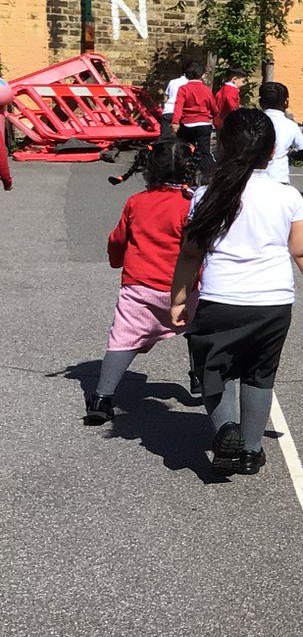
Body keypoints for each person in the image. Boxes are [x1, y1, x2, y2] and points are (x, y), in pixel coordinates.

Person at [169, 108, 303, 477]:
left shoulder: (205, 194)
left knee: (213, 369)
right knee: (259, 373)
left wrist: (179, 298)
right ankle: (249, 450)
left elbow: (191, 252)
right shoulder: (287, 196)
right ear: (272, 151)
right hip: (274, 303)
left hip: (222, 299)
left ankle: (226, 429)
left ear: (223, 148)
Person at [83, 140, 200, 426]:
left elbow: (118, 240)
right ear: (190, 170)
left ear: (149, 170)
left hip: (139, 285)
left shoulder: (136, 203)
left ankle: (102, 397)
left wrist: (115, 260)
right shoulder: (191, 203)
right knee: (199, 331)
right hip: (183, 287)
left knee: (123, 338)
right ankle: (200, 380)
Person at [259, 81, 303, 184]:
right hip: (279, 176)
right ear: (286, 102)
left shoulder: (255, 121)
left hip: (254, 178)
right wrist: (292, 154)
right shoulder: (290, 125)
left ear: (261, 102)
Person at [172, 61, 217, 176]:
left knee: (184, 150)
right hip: (203, 124)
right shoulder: (206, 90)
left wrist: (175, 122)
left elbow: (178, 106)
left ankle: (183, 173)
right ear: (201, 75)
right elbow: (214, 107)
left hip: (187, 124)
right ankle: (207, 175)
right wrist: (212, 115)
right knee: (205, 151)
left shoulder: (183, 89)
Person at [213, 67, 246, 133]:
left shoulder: (222, 89)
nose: (243, 84)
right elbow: (230, 103)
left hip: (218, 122)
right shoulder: (232, 90)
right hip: (229, 123)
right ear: (235, 79)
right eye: (242, 81)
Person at [159, 69, 188, 138]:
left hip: (168, 110)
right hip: (182, 112)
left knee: (165, 137)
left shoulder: (172, 82)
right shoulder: (189, 83)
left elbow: (165, 97)